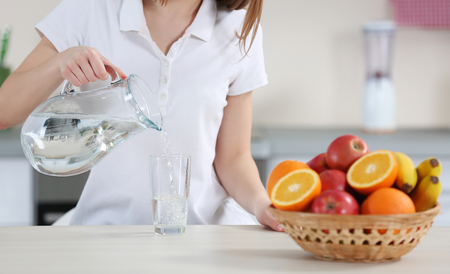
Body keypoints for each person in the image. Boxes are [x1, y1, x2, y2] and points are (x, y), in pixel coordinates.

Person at [0, 0, 283, 231]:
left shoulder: (239, 30)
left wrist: (262, 205)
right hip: (104, 232)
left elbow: (233, 157)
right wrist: (60, 62)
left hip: (204, 233)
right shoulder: (91, 10)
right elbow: (5, 111)